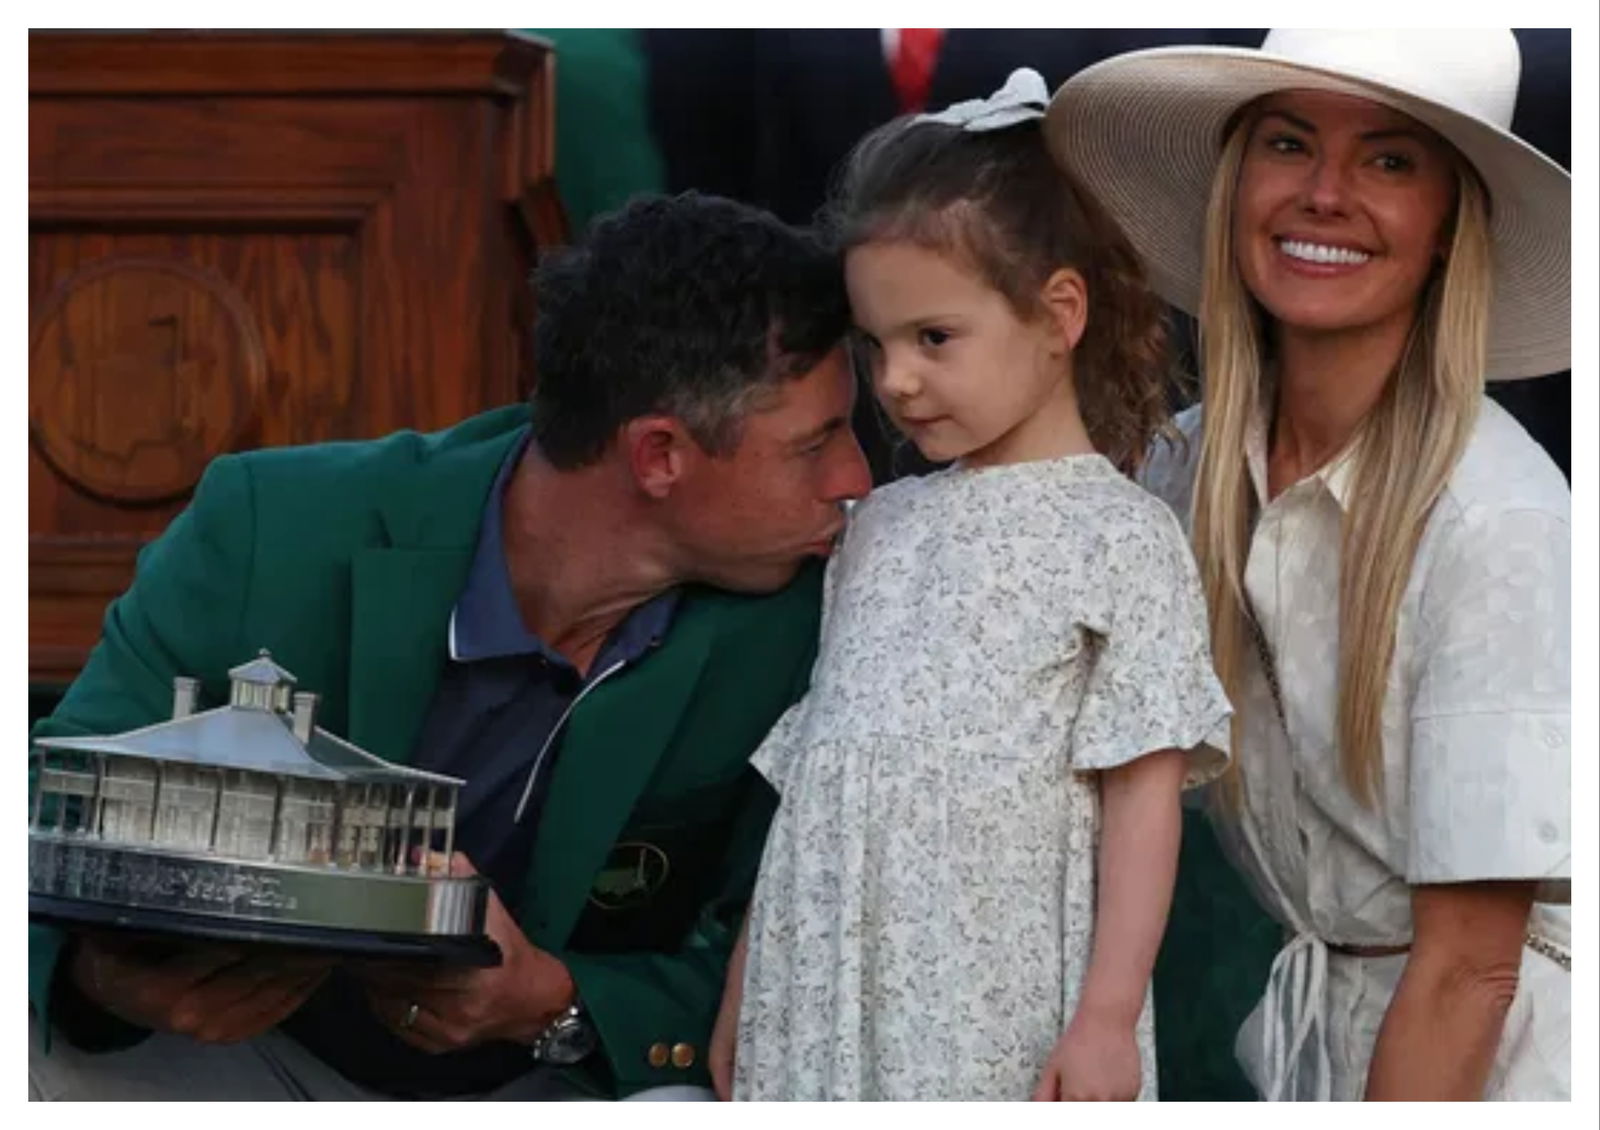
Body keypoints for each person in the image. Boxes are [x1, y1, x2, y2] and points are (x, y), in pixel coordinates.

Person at [27, 192, 874, 1101]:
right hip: (237, 1064)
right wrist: (98, 981)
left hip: (555, 1087)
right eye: (816, 442)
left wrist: (556, 1002)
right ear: (659, 454)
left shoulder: (816, 611)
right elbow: (49, 810)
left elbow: (801, 962)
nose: (856, 478)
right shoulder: (266, 525)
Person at [1047, 28, 1571, 1100]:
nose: (1325, 194)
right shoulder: (1177, 471)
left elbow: (1470, 966)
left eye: (1387, 160)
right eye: (1289, 144)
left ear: (1444, 229)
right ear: (1236, 185)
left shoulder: (1498, 519)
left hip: (1508, 1062)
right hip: (1317, 1045)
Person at [709, 70, 1232, 1101]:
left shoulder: (1119, 533)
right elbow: (820, 785)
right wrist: (747, 985)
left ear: (1058, 314)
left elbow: (1140, 799)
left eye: (933, 338)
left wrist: (1107, 1015)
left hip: (996, 994)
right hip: (820, 983)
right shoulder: (874, 526)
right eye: (877, 344)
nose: (895, 379)